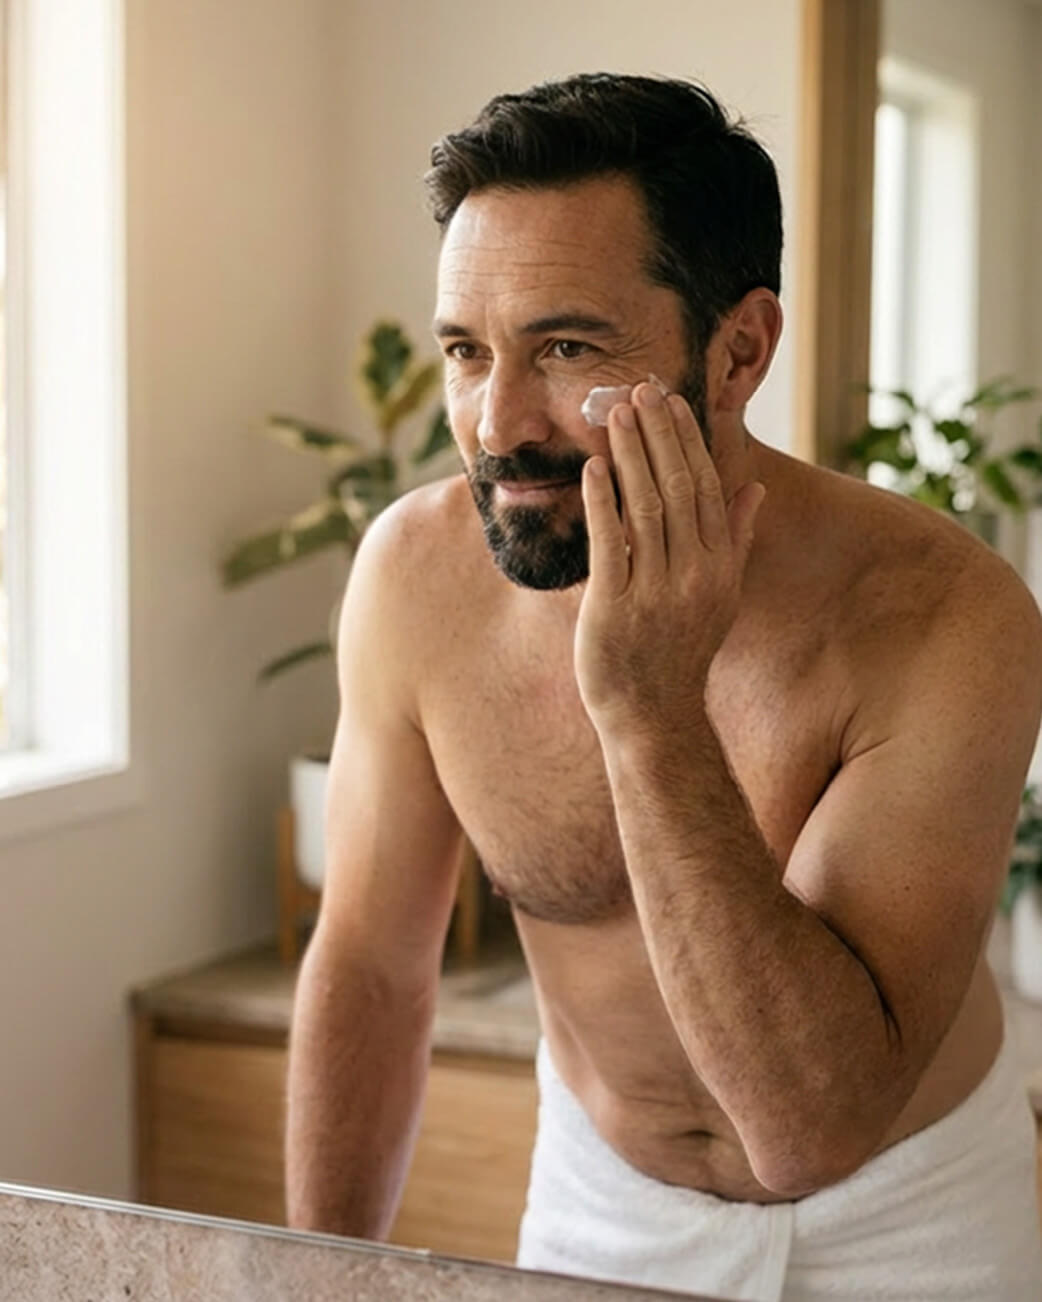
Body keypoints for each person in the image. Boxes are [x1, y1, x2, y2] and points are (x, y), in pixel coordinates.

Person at [285, 73, 1042, 1301]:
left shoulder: (941, 615)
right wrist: (314, 1272)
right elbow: (370, 965)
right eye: (467, 354)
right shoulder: (416, 580)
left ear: (736, 350)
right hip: (600, 1208)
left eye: (567, 347)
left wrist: (647, 707)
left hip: (912, 1227)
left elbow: (809, 1127)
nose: (494, 423)